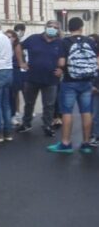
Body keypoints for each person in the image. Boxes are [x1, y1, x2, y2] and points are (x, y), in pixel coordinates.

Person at [47, 17, 99, 154]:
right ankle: (86, 143)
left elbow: (62, 63)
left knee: (67, 112)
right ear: (82, 27)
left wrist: (61, 68)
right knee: (86, 112)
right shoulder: (90, 41)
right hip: (87, 82)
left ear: (69, 28)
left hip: (70, 82)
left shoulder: (65, 42)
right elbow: (96, 61)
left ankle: (65, 143)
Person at [16, 21, 62, 137]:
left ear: (58, 30)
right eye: (50, 26)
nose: (52, 29)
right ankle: (26, 123)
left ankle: (47, 125)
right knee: (29, 103)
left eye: (55, 27)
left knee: (49, 105)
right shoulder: (34, 38)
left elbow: (66, 57)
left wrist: (63, 69)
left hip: (51, 79)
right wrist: (21, 62)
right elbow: (18, 46)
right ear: (45, 27)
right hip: (32, 77)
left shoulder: (60, 43)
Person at [6, 30, 23, 125]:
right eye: (7, 37)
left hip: (14, 71)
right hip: (6, 71)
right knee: (7, 94)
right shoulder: (3, 46)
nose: (8, 39)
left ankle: (14, 113)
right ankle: (9, 114)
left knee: (13, 94)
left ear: (14, 38)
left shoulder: (17, 46)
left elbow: (20, 60)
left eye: (10, 37)